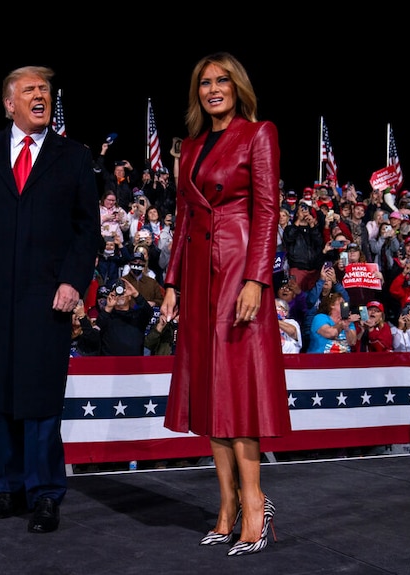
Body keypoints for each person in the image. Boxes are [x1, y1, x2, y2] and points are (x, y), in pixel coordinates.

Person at [0, 66, 100, 534]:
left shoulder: (73, 156)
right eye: (29, 89)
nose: (40, 96)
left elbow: (87, 229)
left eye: (45, 90)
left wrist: (73, 281)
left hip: (48, 295)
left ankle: (45, 494)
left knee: (41, 396)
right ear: (9, 103)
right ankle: (6, 489)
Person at [159, 52, 288, 556]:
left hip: (237, 267)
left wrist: (257, 278)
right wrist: (171, 282)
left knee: (237, 390)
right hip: (196, 272)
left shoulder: (259, 133)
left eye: (222, 81)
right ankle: (227, 506)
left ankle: (255, 504)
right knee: (209, 395)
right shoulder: (188, 146)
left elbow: (268, 207)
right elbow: (181, 216)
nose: (213, 89)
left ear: (237, 87)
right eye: (205, 82)